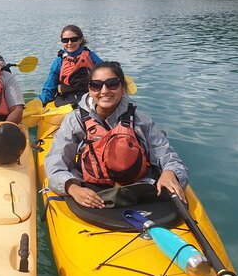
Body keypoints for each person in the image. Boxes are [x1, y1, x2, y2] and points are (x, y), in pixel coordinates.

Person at [44, 61, 188, 208]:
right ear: (89, 89)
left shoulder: (141, 120)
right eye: (96, 85)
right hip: (90, 187)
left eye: (112, 84)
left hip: (138, 189)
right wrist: (71, 188)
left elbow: (168, 156)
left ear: (123, 88)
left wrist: (170, 173)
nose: (104, 90)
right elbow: (55, 163)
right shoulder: (75, 120)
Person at [39, 25, 104, 106]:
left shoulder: (91, 57)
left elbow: (106, 74)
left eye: (74, 39)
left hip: (89, 95)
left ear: (80, 40)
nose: (69, 43)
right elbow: (50, 86)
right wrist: (41, 102)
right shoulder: (59, 61)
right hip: (67, 98)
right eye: (65, 40)